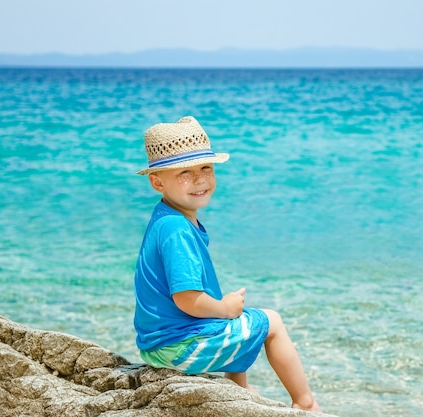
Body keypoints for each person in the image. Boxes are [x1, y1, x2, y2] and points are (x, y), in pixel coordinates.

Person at [133, 116, 322, 412]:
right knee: (271, 321)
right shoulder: (176, 229)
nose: (199, 179)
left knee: (233, 317)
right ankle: (305, 402)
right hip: (177, 348)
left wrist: (224, 311)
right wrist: (223, 308)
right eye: (185, 172)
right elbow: (186, 299)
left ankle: (238, 388)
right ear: (157, 181)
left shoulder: (168, 217)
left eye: (205, 168)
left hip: (159, 343)